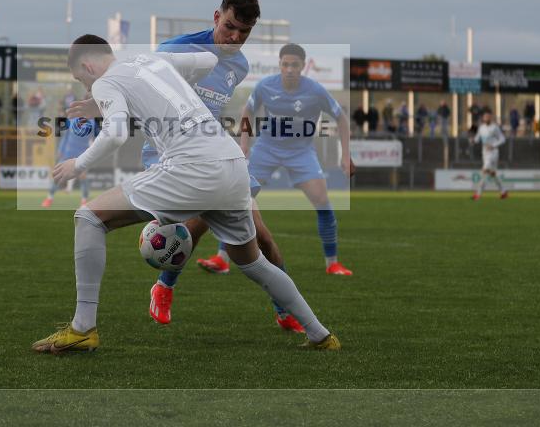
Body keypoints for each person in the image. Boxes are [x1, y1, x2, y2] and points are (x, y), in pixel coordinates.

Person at [32, 35, 340, 354]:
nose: (85, 85)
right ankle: (321, 334)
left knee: (89, 218)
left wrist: (76, 165)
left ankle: (83, 328)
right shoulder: (153, 59)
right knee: (254, 263)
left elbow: (116, 133)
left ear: (86, 65)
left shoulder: (105, 82)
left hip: (192, 167)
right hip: (232, 164)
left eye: (81, 78)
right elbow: (208, 61)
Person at [129, 0, 305, 332]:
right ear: (216, 16)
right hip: (169, 153)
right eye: (229, 27)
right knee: (203, 212)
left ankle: (285, 310)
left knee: (263, 239)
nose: (235, 37)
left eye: (244, 32)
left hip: (214, 153)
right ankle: (164, 286)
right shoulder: (175, 51)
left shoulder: (238, 65)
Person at [241, 44, 353, 274]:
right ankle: (222, 258)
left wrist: (346, 156)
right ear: (280, 65)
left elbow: (341, 118)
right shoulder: (265, 86)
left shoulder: (315, 90)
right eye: (285, 64)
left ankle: (332, 263)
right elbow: (247, 111)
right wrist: (244, 146)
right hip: (267, 147)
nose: (289, 69)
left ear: (303, 66)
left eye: (294, 64)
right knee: (239, 197)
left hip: (301, 151)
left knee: (322, 199)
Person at [41, 115, 98, 209]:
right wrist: (60, 150)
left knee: (83, 177)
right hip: (67, 153)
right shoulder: (71, 120)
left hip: (82, 155)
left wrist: (91, 153)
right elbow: (65, 137)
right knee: (57, 175)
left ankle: (84, 202)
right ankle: (49, 198)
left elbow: (96, 139)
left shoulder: (92, 123)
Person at [471, 111, 508, 200]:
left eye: (488, 117)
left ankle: (478, 194)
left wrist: (493, 145)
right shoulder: (481, 128)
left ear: (490, 118)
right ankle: (503, 192)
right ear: (483, 118)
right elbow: (477, 138)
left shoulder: (495, 127)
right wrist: (473, 140)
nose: (486, 118)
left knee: (485, 170)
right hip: (484, 152)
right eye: (485, 117)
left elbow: (503, 139)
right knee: (492, 173)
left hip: (493, 152)